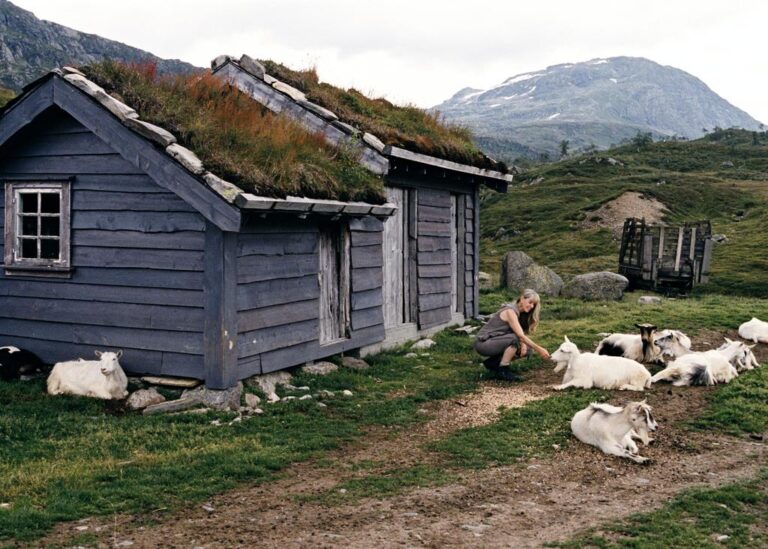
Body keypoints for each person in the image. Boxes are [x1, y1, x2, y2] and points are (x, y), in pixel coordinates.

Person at [474, 288, 551, 380]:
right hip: (483, 343)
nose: (531, 306)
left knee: (528, 349)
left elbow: (520, 334)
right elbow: (520, 336)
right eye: (530, 302)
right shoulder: (510, 311)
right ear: (522, 298)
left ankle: (493, 363)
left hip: (496, 341)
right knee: (514, 339)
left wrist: (524, 345)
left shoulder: (519, 313)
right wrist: (540, 349)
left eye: (533, 304)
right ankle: (503, 369)